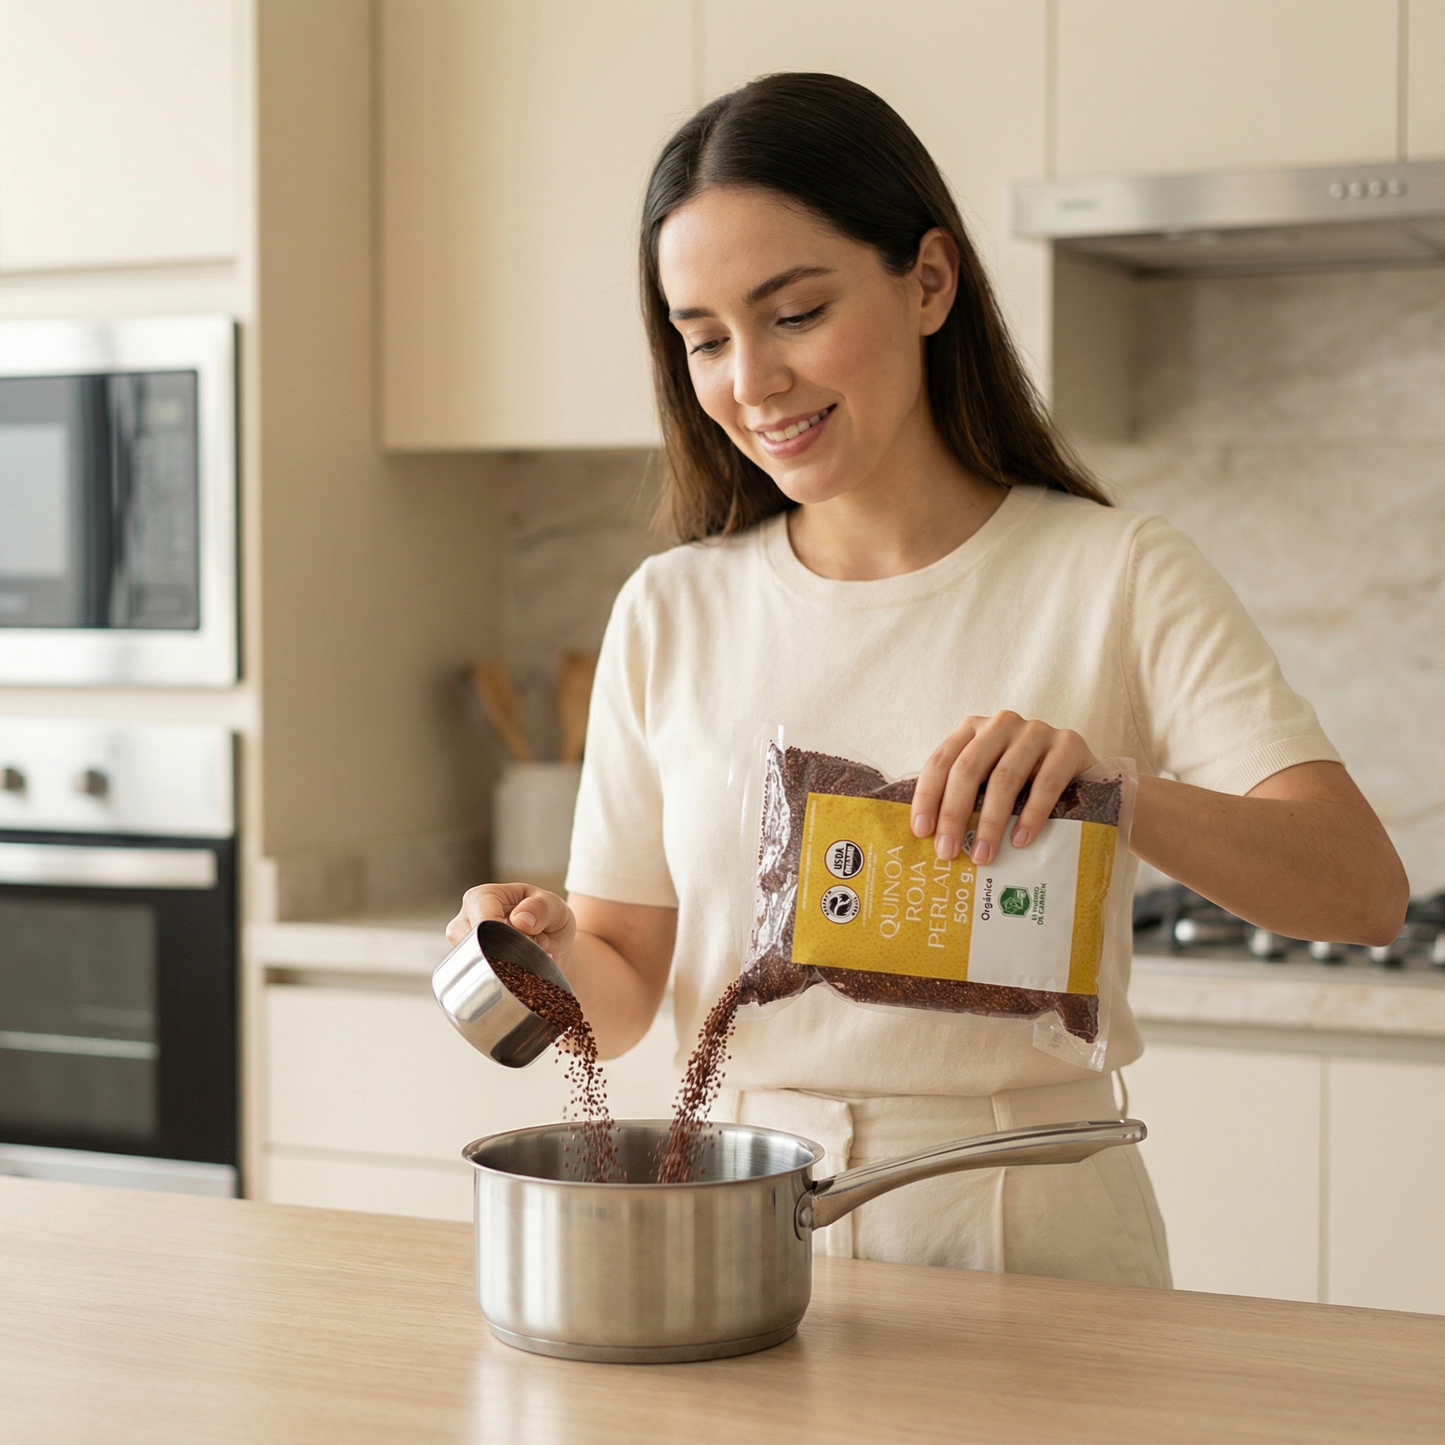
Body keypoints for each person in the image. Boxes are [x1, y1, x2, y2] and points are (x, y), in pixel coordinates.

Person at [447, 73, 1407, 1286]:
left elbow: (1364, 892)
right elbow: (626, 979)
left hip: (1032, 1229)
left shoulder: (1114, 573)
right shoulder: (669, 608)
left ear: (929, 281)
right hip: (738, 1218)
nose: (749, 380)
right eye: (702, 339)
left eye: (792, 312)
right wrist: (534, 953)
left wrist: (1113, 796)